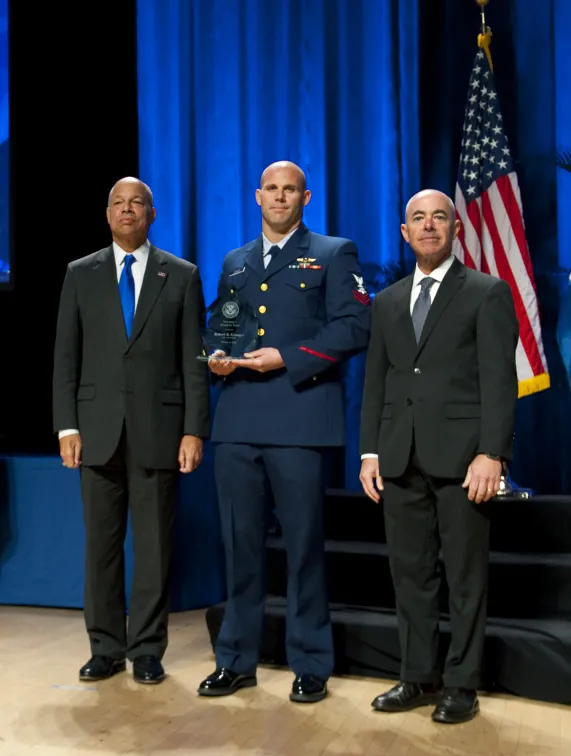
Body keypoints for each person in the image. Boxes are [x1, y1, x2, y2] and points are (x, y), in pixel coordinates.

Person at [198, 161, 370, 703]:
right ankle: (236, 660)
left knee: (303, 549)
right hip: (238, 422)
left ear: (305, 196)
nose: (279, 196)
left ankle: (311, 661)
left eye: (289, 189)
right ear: (257, 196)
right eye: (271, 188)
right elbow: (222, 323)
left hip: (300, 418)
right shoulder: (235, 260)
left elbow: (354, 326)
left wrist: (288, 358)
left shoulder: (333, 253)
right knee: (240, 547)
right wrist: (216, 356)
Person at [359, 189, 518, 723]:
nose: (429, 226)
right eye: (418, 219)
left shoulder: (486, 292)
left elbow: (500, 382)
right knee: (411, 575)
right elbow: (376, 384)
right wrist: (369, 452)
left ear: (456, 229)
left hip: (463, 460)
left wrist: (492, 453)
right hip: (399, 457)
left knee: (465, 577)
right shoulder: (386, 302)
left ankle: (461, 685)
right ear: (405, 233)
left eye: (439, 218)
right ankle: (417, 676)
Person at [53, 177, 209, 684]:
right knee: (100, 548)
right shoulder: (81, 274)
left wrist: (193, 430)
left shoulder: (181, 275)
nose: (127, 211)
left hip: (159, 432)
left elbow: (193, 361)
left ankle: (146, 649)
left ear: (152, 214)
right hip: (95, 432)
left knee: (155, 549)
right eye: (118, 204)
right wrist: (66, 426)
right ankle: (104, 647)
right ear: (107, 215)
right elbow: (66, 359)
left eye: (136, 203)